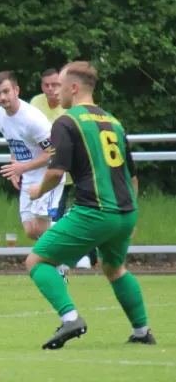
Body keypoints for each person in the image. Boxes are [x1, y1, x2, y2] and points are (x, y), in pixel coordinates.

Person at [26, 61, 155, 349]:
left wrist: (36, 191)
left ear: (74, 87)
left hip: (95, 211)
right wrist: (130, 218)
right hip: (125, 212)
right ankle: (142, 330)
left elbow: (56, 171)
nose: (55, 91)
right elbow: (131, 177)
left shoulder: (67, 121)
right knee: (115, 268)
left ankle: (70, 318)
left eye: (59, 85)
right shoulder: (114, 121)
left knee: (37, 261)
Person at [0, 71, 65, 247]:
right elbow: (13, 142)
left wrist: (22, 168)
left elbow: (53, 153)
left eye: (6, 91)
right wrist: (15, 167)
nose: (2, 97)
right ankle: (72, 233)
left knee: (40, 227)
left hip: (48, 175)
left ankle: (64, 256)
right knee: (30, 231)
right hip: (28, 175)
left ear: (16, 90)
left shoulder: (33, 119)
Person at [31, 68, 92, 270]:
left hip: (71, 172)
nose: (52, 89)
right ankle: (66, 258)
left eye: (56, 84)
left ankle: (76, 255)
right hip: (48, 173)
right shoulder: (35, 105)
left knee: (77, 215)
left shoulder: (70, 110)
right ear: (42, 86)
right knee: (52, 219)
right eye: (47, 85)